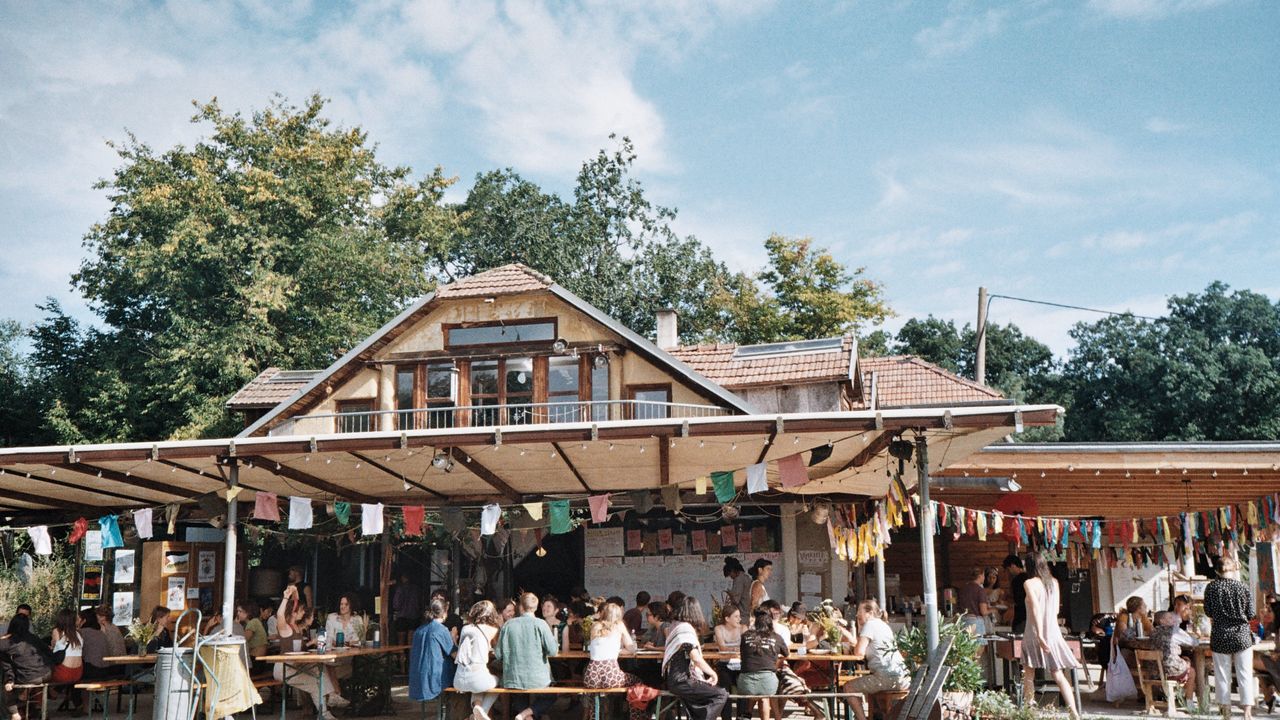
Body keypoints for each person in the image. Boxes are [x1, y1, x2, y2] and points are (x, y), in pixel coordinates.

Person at [1021, 553, 1080, 720]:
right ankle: (1074, 712)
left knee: (1029, 673)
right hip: (1054, 632)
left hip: (1034, 632)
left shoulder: (1029, 583)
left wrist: (1039, 634)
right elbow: (1055, 610)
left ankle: (1029, 711)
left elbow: (1035, 609)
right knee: (1058, 674)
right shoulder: (1054, 582)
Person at [275, 585, 347, 720]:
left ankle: (331, 697)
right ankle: (325, 713)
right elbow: (280, 614)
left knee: (320, 669)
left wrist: (295, 591)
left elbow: (295, 603)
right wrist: (285, 597)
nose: (304, 613)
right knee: (315, 683)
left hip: (296, 664)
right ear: (294, 613)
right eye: (301, 611)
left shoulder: (296, 627)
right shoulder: (285, 627)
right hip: (284, 667)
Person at [1205, 552, 1255, 720]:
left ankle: (1226, 712)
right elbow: (1251, 613)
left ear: (1218, 571)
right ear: (1233, 569)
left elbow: (1208, 611)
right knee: (1245, 673)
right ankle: (1247, 712)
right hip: (1242, 636)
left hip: (1220, 635)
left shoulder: (1211, 588)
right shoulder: (1243, 587)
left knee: (1221, 674)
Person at [495, 592, 559, 720]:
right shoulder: (541, 624)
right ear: (535, 608)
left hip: (513, 678)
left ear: (520, 607)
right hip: (539, 678)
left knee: (518, 694)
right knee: (551, 695)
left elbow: (498, 654)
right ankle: (527, 714)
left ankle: (524, 714)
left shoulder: (508, 625)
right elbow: (553, 651)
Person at [844, 599, 909, 720]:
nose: (857, 614)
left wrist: (851, 635)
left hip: (886, 677)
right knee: (869, 687)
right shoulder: (884, 625)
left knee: (848, 687)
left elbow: (859, 652)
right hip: (902, 677)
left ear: (869, 613)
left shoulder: (870, 625)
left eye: (860, 611)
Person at [663, 597, 727, 720]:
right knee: (721, 694)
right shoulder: (685, 629)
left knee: (703, 700)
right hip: (682, 680)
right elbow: (695, 657)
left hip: (675, 679)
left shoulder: (675, 626)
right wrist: (713, 673)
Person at [583, 602, 647, 720]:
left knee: (593, 693)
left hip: (591, 676)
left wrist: (616, 650)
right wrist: (620, 650)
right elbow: (631, 648)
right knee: (637, 681)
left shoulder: (595, 626)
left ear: (603, 613)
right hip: (610, 675)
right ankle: (636, 716)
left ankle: (594, 717)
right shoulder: (619, 625)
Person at [738, 608, 789, 720]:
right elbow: (786, 653)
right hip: (768, 681)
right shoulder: (776, 637)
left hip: (745, 682)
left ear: (756, 622)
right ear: (771, 623)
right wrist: (777, 661)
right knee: (765, 696)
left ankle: (747, 714)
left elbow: (743, 654)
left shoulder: (745, 636)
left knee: (756, 690)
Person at [0, 614, 53, 720]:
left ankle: (15, 714)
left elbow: (7, 666)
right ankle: (28, 705)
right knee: (27, 683)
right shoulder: (33, 638)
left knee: (7, 686)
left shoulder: (5, 643)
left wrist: (10, 680)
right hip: (47, 673)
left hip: (29, 677)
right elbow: (48, 651)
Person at [454, 601, 501, 720]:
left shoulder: (465, 628)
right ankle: (479, 714)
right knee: (499, 683)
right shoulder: (493, 629)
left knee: (478, 685)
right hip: (477, 678)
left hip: (459, 679)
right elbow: (499, 652)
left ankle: (478, 708)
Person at [408, 599, 456, 707]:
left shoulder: (419, 630)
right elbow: (455, 655)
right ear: (444, 612)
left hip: (418, 678)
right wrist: (453, 638)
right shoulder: (441, 630)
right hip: (436, 678)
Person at [1151, 610, 1196, 698]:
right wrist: (1194, 637)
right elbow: (1193, 643)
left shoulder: (1153, 632)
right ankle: (1189, 703)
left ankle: (1177, 696)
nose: (1173, 620)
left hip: (1155, 670)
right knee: (1192, 671)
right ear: (1162, 621)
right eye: (1170, 618)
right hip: (1169, 669)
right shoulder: (1174, 630)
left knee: (1185, 660)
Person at [958, 568, 991, 652]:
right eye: (983, 575)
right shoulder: (980, 590)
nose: (984, 578)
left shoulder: (963, 589)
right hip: (975, 622)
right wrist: (994, 610)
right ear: (980, 576)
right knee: (978, 652)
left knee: (966, 652)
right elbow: (983, 611)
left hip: (963, 621)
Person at [49, 608, 83, 686]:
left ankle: (50, 695)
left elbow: (55, 651)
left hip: (64, 672)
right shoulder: (78, 634)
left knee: (42, 675)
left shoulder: (57, 631)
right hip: (78, 672)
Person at [390, 570, 422, 644]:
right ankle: (411, 655)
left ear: (403, 578)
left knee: (401, 639)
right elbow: (419, 603)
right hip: (414, 617)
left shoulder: (400, 589)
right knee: (411, 640)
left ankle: (402, 655)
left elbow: (396, 605)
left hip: (402, 616)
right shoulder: (416, 589)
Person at [238, 600, 268, 672]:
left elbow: (243, 642)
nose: (237, 614)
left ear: (247, 612)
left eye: (240, 611)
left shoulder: (252, 623)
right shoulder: (256, 621)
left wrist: (236, 623)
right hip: (259, 660)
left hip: (255, 661)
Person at [1003, 554, 1029, 633]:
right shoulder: (1029, 577)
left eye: (1008, 569)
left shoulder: (1017, 580)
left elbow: (1018, 600)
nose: (1008, 572)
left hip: (1021, 618)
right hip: (1030, 616)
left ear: (1013, 566)